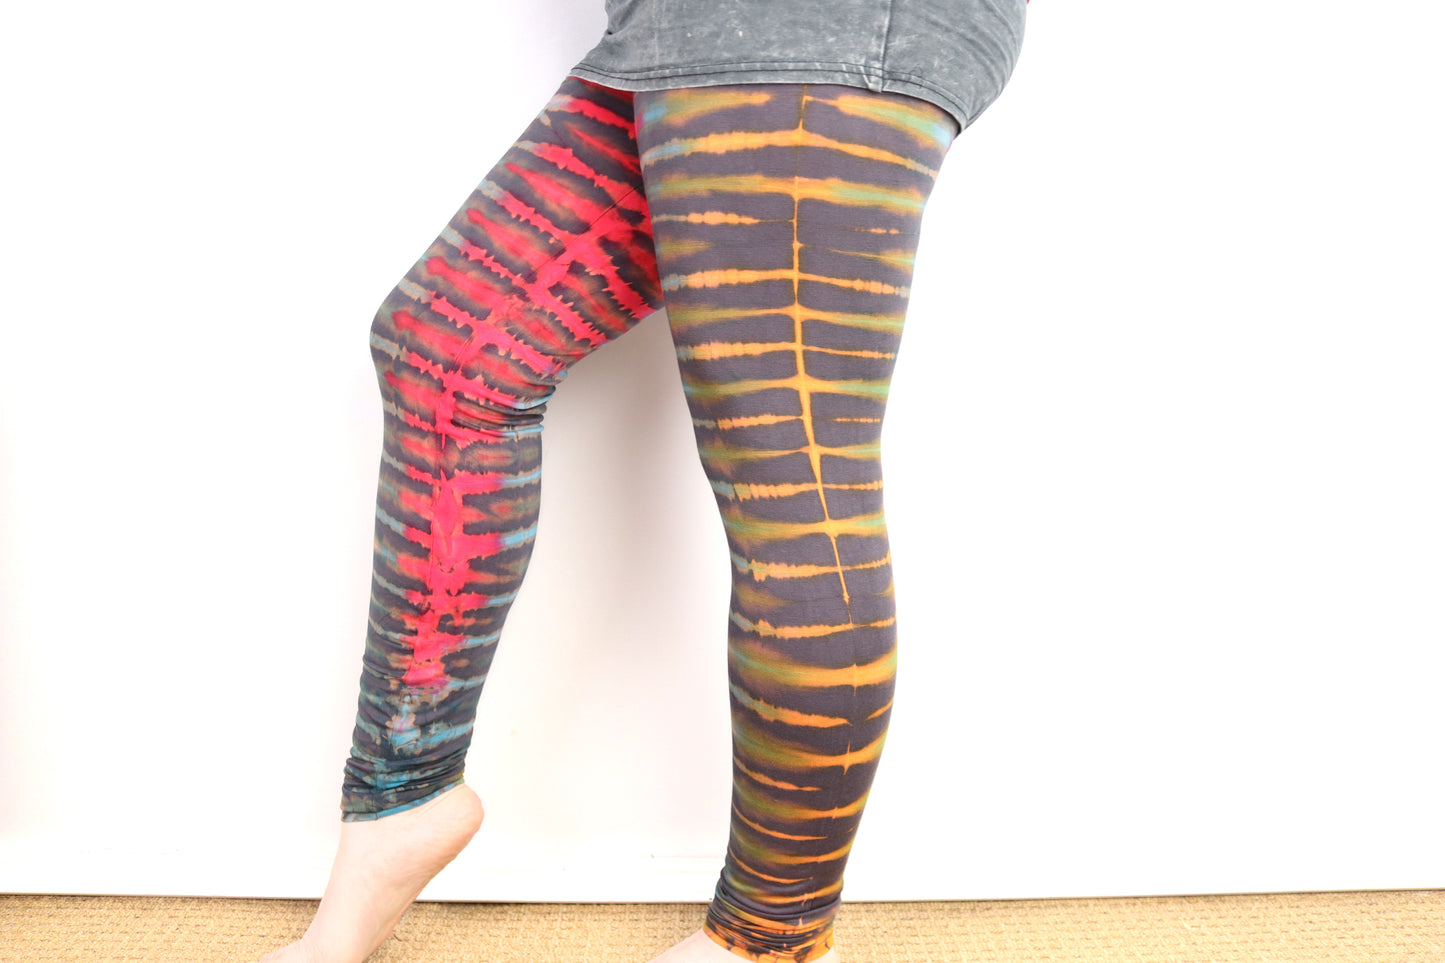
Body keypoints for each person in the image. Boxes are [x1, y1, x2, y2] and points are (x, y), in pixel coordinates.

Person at [254, 2, 1027, 962]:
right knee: (446, 353)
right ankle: (400, 800)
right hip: (676, 27)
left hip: (816, 28)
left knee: (788, 472)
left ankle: (767, 937)